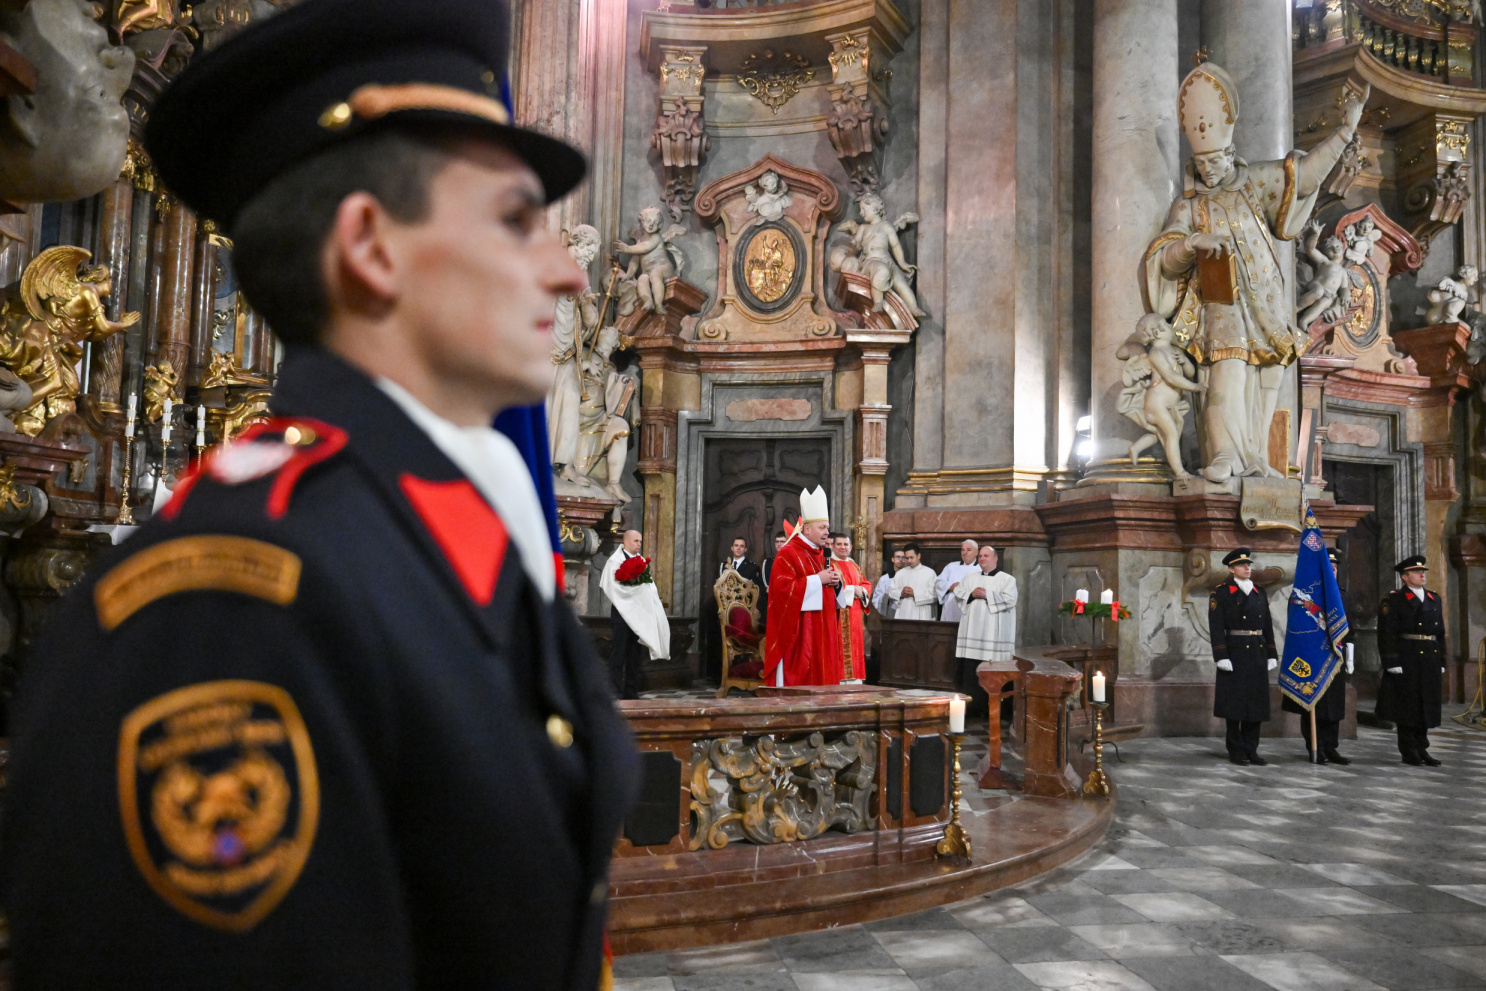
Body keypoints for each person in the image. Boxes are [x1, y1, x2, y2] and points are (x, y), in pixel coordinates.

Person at [0, 2, 638, 987]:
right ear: (372, 249)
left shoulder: (438, 535)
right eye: (516, 219)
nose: (563, 271)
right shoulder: (225, 606)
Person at [762, 487, 841, 686]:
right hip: (801, 633)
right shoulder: (788, 553)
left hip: (823, 628)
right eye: (822, 527)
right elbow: (781, 592)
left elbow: (831, 593)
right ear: (807, 529)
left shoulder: (822, 554)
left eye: (827, 527)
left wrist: (836, 582)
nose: (827, 532)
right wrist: (817, 580)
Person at [1282, 547, 1353, 764]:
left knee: (1334, 705)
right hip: (1313, 655)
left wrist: (1350, 656)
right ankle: (1316, 745)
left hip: (1336, 655)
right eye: (1328, 567)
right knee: (1314, 702)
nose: (1332, 570)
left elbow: (1351, 629)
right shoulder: (1304, 597)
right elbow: (1297, 627)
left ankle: (1331, 746)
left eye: (1335, 567)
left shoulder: (1342, 596)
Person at [1209, 547, 1278, 766]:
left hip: (1257, 651)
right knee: (1235, 704)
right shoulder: (1221, 593)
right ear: (1231, 568)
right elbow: (1216, 626)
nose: (1247, 567)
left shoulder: (1259, 592)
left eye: (1249, 564)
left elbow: (1267, 624)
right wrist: (1221, 655)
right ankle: (1236, 750)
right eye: (1242, 565)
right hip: (1234, 652)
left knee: (1255, 704)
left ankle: (1251, 749)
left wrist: (1271, 652)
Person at [1376, 555, 1446, 766]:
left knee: (1426, 704)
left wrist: (1442, 660)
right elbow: (1387, 633)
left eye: (1423, 571)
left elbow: (1440, 633)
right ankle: (1408, 751)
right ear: (1405, 577)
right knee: (1408, 706)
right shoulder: (1394, 599)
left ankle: (1422, 748)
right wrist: (1391, 661)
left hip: (1430, 656)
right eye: (1417, 572)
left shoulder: (1434, 598)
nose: (1422, 574)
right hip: (1408, 656)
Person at [601, 529, 669, 701]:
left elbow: (648, 588)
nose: (639, 544)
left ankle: (631, 692)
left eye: (640, 541)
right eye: (636, 541)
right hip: (621, 616)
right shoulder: (614, 561)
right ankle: (614, 691)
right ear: (625, 542)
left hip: (638, 617)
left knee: (634, 655)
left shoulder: (640, 561)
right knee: (618, 654)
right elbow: (613, 588)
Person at [952, 545, 1018, 716]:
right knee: (971, 674)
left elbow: (1011, 600)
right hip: (972, 634)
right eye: (980, 556)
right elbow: (959, 593)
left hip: (993, 639)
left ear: (996, 558)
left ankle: (996, 712)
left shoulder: (1007, 579)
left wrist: (987, 595)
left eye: (986, 556)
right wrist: (972, 594)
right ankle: (972, 710)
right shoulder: (970, 578)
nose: (982, 558)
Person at [829, 531, 872, 683]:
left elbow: (865, 583)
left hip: (854, 615)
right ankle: (840, 678)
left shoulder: (854, 564)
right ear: (832, 546)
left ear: (851, 547)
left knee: (855, 645)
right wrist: (853, 590)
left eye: (846, 544)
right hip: (838, 613)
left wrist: (863, 591)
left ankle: (855, 679)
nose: (843, 547)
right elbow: (830, 589)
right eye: (839, 544)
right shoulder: (829, 565)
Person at [889, 542, 938, 620]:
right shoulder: (900, 573)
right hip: (903, 612)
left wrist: (914, 593)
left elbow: (934, 595)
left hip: (922, 614)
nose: (909, 561)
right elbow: (891, 591)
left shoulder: (930, 573)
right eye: (907, 558)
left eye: (911, 558)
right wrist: (901, 593)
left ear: (919, 556)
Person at [936, 539, 980, 624]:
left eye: (968, 550)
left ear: (976, 552)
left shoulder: (980, 568)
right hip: (951, 607)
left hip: (970, 607)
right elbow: (938, 582)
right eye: (963, 550)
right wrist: (950, 586)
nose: (965, 552)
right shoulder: (951, 566)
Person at [873, 548, 906, 616]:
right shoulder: (885, 579)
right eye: (898, 557)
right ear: (893, 559)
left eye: (903, 557)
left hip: (907, 611)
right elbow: (876, 599)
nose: (900, 560)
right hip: (891, 610)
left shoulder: (911, 577)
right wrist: (887, 596)